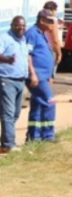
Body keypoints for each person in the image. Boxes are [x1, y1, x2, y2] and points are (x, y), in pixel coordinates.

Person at [0, 16, 35, 153]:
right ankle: (9, 144)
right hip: (6, 80)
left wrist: (31, 74)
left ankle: (4, 141)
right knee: (8, 113)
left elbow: (27, 57)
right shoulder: (4, 38)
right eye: (18, 25)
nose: (21, 28)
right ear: (12, 25)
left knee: (15, 113)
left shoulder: (23, 39)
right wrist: (7, 59)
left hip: (21, 81)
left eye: (23, 26)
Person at [25, 10, 57, 142]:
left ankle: (34, 136)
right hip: (37, 76)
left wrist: (49, 75)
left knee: (37, 104)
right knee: (49, 102)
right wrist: (33, 74)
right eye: (50, 21)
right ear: (42, 20)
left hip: (44, 76)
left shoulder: (43, 34)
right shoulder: (32, 33)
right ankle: (48, 135)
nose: (52, 24)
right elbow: (27, 55)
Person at [42, 0, 62, 68]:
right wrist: (59, 53)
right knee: (50, 71)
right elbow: (55, 39)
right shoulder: (53, 20)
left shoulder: (42, 19)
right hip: (51, 49)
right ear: (53, 10)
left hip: (42, 48)